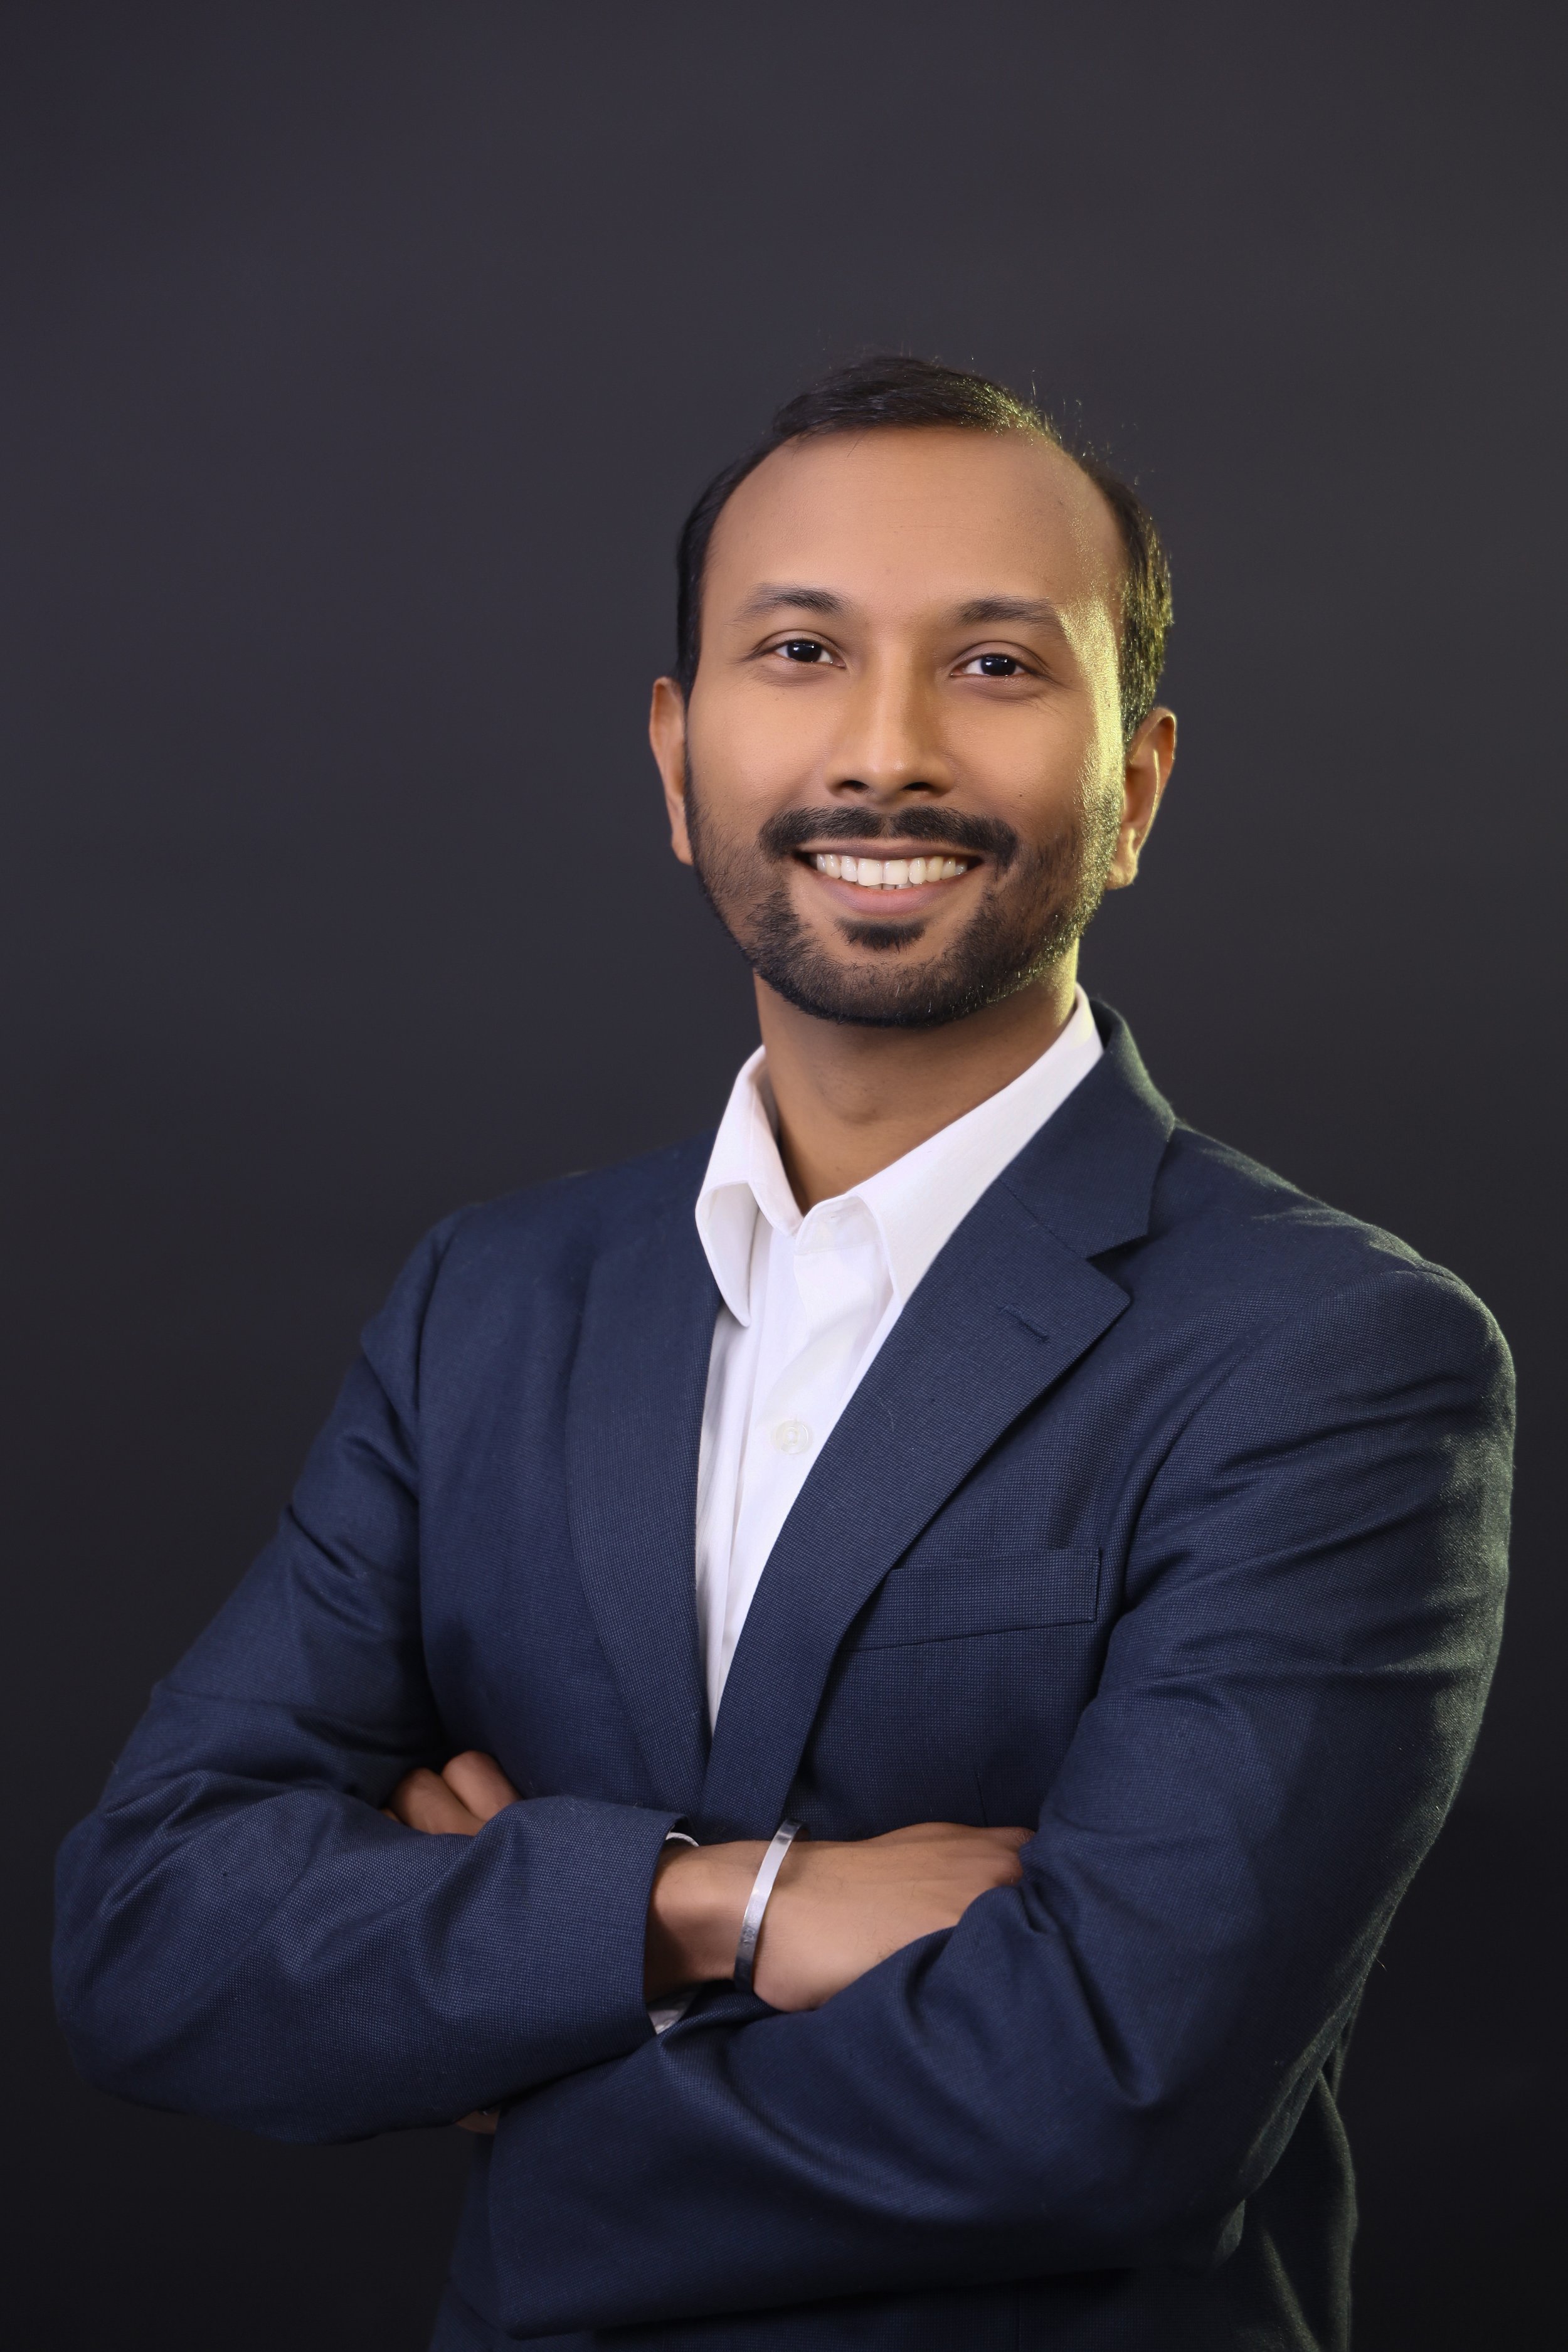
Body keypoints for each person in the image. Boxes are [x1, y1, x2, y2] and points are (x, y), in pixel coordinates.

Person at [54, 355, 1512, 2351]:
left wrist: (506, 2019)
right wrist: (712, 1909)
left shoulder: (1331, 1354)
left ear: (1137, 786)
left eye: (995, 666)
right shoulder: (493, 1298)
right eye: (801, 649)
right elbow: (147, 1935)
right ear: (677, 761)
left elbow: (1105, 2111)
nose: (884, 752)